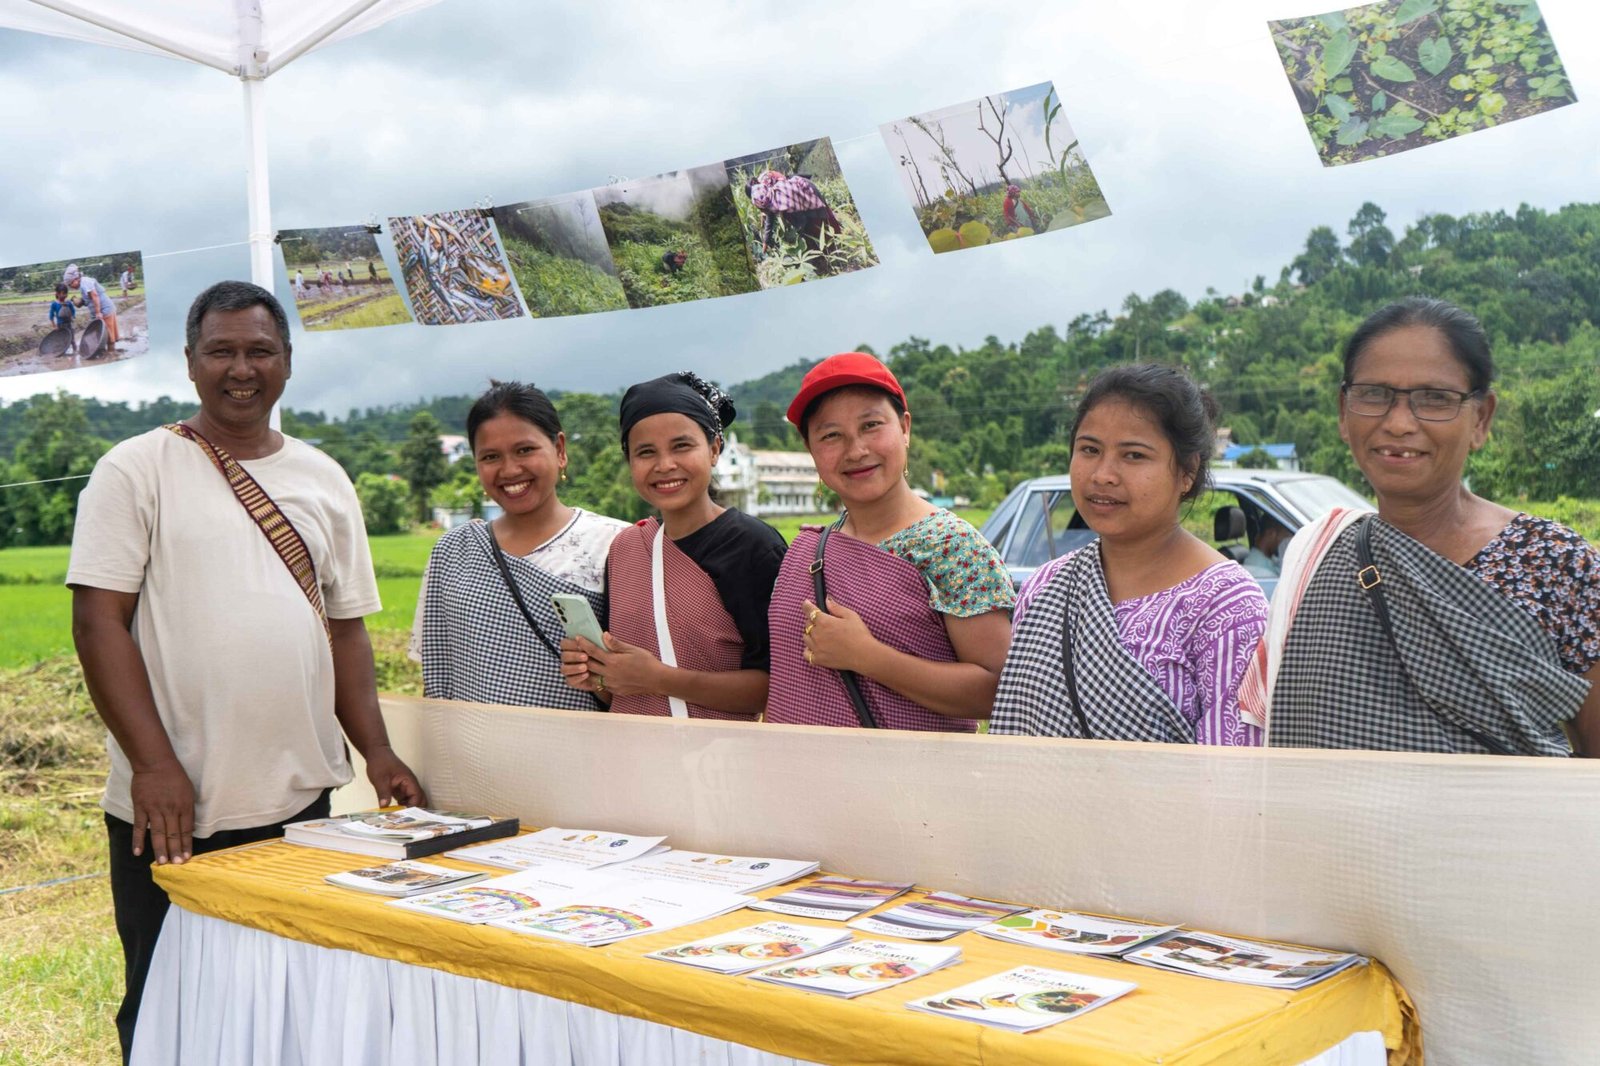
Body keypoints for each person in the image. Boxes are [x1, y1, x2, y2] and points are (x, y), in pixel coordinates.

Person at [67, 280, 425, 1062]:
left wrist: (378, 751)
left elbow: (346, 633)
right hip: (169, 808)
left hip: (299, 798)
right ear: (190, 364)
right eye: (221, 351)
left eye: (259, 351)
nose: (241, 368)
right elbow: (98, 624)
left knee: (284, 1000)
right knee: (168, 1001)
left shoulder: (326, 478)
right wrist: (154, 764)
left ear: (287, 363)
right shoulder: (136, 469)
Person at [1241, 297, 1599, 756]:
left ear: (1481, 418)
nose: (1399, 423)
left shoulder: (1554, 563)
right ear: (1343, 413)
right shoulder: (1318, 554)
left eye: (1435, 398)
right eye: (1374, 394)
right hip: (1322, 828)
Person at [990, 364, 1268, 745]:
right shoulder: (1046, 586)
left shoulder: (1225, 606)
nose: (1103, 474)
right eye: (1089, 449)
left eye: (1133, 455)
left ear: (1187, 472)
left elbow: (1231, 773)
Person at [764, 353, 1015, 731]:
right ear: (811, 450)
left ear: (905, 427)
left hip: (911, 784)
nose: (856, 450)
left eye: (871, 425)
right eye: (831, 435)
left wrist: (869, 657)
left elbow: (1001, 690)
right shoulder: (810, 548)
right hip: (799, 777)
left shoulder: (951, 547)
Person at [559, 372, 786, 719]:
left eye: (682, 446)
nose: (665, 465)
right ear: (630, 462)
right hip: (634, 761)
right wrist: (597, 676)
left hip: (721, 766)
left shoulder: (752, 546)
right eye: (646, 452)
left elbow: (774, 688)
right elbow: (615, 691)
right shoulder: (625, 550)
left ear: (714, 449)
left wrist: (659, 679)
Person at [411, 381, 627, 708]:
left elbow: (642, 690)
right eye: (491, 456)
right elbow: (438, 677)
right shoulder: (453, 551)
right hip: (470, 754)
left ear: (560, 450)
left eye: (525, 450)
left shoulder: (616, 545)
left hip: (581, 754)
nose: (510, 470)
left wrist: (596, 674)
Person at [748, 169, 841, 266]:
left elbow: (801, 220)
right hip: (801, 197)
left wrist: (799, 231)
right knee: (813, 230)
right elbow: (770, 216)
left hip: (809, 192)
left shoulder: (781, 198)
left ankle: (836, 253)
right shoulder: (767, 195)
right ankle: (825, 257)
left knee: (822, 223)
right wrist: (766, 241)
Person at [64, 262, 119, 349]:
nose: (71, 286)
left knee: (108, 336)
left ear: (76, 279)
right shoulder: (82, 285)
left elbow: (95, 296)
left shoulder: (85, 281)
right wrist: (81, 302)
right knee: (101, 335)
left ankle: (111, 354)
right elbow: (89, 299)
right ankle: (103, 352)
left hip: (105, 310)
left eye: (70, 284)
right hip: (100, 313)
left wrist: (98, 313)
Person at [1240, 514, 1292, 579]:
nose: (1288, 542)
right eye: (1286, 536)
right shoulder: (1261, 572)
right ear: (1271, 534)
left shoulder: (1269, 558)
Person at [49, 283, 78, 352]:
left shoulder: (68, 303)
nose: (64, 295)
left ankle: (75, 352)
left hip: (69, 323)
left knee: (72, 340)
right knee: (62, 340)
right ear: (57, 294)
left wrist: (73, 316)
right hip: (60, 325)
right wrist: (54, 325)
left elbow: (73, 310)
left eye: (65, 293)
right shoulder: (54, 304)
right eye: (62, 293)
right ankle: (62, 352)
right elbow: (51, 315)